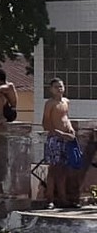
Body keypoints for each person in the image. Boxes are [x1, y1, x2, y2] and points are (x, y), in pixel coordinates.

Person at [43, 77, 77, 208]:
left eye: (61, 86)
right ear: (51, 89)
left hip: (66, 139)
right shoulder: (50, 103)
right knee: (53, 169)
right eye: (56, 87)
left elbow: (66, 118)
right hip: (54, 139)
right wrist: (59, 133)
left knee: (63, 170)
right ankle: (49, 199)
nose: (59, 89)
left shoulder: (66, 102)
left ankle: (63, 198)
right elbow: (45, 122)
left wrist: (70, 129)